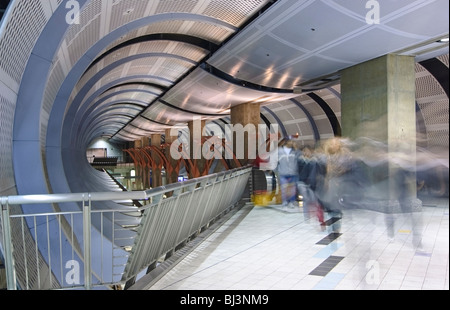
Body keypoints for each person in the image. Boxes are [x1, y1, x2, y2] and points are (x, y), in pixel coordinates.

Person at [276, 140, 301, 208]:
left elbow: (300, 158)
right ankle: (285, 201)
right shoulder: (279, 151)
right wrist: (276, 171)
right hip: (283, 173)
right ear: (286, 142)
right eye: (291, 141)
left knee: (292, 189)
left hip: (293, 173)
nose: (293, 143)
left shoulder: (295, 151)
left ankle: (292, 202)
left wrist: (297, 149)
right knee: (284, 188)